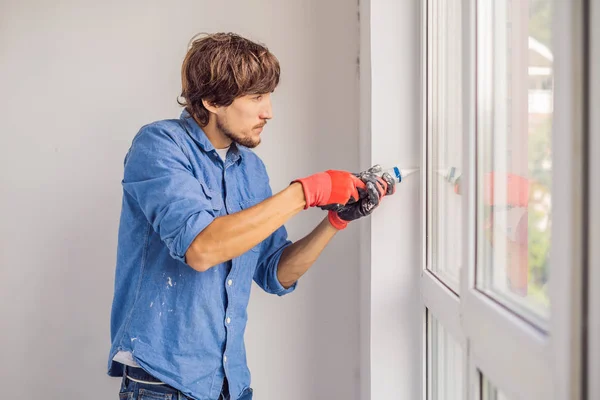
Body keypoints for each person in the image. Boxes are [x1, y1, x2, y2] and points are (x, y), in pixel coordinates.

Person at [107, 32, 395, 400]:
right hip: (163, 385)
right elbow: (201, 248)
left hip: (229, 383)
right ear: (211, 100)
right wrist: (307, 191)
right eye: (256, 97)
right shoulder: (159, 145)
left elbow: (276, 272)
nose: (268, 111)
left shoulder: (250, 170)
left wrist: (336, 220)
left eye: (269, 95)